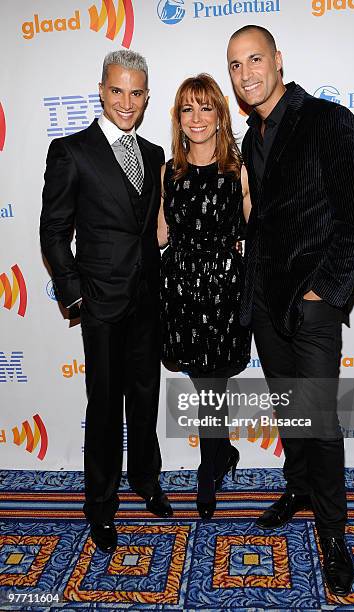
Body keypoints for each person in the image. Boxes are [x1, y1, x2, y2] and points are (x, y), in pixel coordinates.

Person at [227, 26, 354, 595]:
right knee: (290, 411)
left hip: (313, 299)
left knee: (319, 422)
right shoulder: (252, 139)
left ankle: (336, 538)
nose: (247, 74)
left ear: (278, 60)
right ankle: (297, 488)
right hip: (266, 300)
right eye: (237, 65)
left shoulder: (328, 120)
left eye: (255, 60)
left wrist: (322, 292)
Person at [40, 50, 173, 554]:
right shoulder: (71, 151)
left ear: (145, 97)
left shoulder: (155, 153)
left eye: (136, 93)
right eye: (117, 90)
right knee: (103, 407)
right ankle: (100, 504)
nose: (126, 102)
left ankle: (145, 480)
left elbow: (153, 228)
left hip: (147, 299)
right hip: (101, 302)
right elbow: (53, 231)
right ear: (100, 89)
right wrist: (75, 294)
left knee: (144, 397)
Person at [158, 74, 251, 519]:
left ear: (219, 115)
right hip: (180, 293)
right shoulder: (167, 173)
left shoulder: (239, 169)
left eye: (205, 108)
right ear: (178, 118)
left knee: (213, 384)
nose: (196, 118)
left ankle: (207, 468)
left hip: (225, 293)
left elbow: (260, 229)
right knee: (205, 383)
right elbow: (159, 234)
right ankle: (222, 455)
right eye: (187, 109)